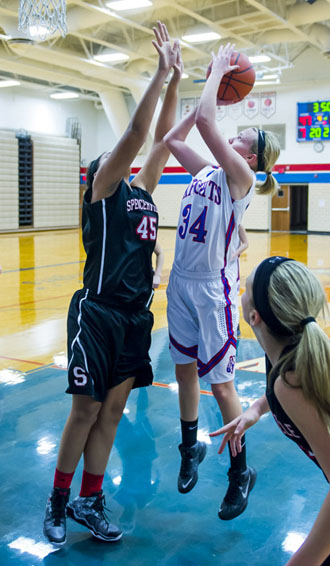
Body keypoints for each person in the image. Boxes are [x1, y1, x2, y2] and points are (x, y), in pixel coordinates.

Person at [43, 22, 183, 546]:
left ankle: (90, 499)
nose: (122, 159)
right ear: (98, 171)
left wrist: (175, 84)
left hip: (135, 319)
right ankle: (58, 501)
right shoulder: (103, 190)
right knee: (86, 409)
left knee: (114, 412)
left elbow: (163, 141)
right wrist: (160, 70)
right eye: (113, 156)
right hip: (98, 313)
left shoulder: (142, 188)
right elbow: (137, 135)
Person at [163, 43, 281, 520]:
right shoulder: (209, 170)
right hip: (180, 284)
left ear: (252, 157)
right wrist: (196, 105)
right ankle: (190, 447)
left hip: (213, 291)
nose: (233, 138)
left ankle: (240, 472)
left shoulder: (240, 180)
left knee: (224, 386)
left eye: (242, 138)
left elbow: (211, 125)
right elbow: (173, 139)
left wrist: (214, 73)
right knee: (184, 370)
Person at [210, 256, 330, 565]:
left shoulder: (290, 381)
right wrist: (257, 409)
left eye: (247, 284)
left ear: (254, 316)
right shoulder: (289, 351)